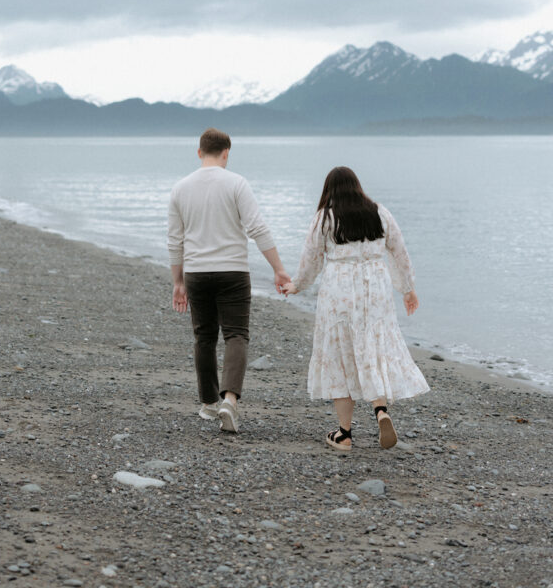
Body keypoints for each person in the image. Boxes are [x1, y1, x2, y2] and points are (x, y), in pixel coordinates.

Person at [284, 166, 429, 451]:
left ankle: (344, 434)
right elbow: (400, 252)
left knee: (340, 355)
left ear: (329, 190)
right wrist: (408, 289)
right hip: (375, 289)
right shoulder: (379, 212)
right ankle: (380, 411)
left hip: (339, 291)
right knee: (372, 348)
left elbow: (311, 260)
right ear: (357, 187)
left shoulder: (325, 218)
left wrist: (296, 286)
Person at [168, 128, 290, 434]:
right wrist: (278, 269)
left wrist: (178, 281)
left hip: (196, 272)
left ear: (199, 152)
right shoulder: (237, 183)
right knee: (236, 334)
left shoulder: (180, 188)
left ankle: (209, 402)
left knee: (204, 337)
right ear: (226, 153)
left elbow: (175, 240)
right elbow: (257, 228)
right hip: (233, 271)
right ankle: (230, 401)